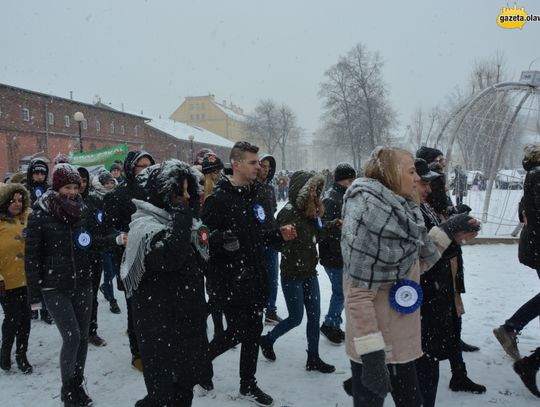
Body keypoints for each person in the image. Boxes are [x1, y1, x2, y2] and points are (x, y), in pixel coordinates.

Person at [341, 146, 479, 407]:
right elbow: (358, 297)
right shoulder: (368, 218)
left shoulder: (402, 213)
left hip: (401, 346)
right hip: (377, 348)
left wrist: (448, 230)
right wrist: (372, 360)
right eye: (412, 171)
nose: (418, 178)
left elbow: (417, 263)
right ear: (392, 175)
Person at [201, 141, 296, 407]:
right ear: (237, 164)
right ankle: (200, 361)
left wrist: (278, 234)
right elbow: (201, 238)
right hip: (230, 279)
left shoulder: (255, 194)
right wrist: (220, 239)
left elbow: (256, 235)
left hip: (255, 274)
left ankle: (248, 384)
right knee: (238, 330)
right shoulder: (217, 199)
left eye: (259, 163)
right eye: (253, 163)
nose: (259, 167)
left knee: (253, 330)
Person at [120, 160, 209, 407]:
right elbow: (170, 257)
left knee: (184, 392)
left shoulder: (185, 223)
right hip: (159, 328)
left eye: (189, 190)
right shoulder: (144, 227)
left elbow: (197, 263)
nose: (188, 196)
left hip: (186, 324)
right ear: (164, 192)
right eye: (181, 191)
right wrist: (182, 215)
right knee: (163, 397)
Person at [414, 159, 485, 407]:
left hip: (438, 283)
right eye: (425, 182)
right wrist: (449, 230)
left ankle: (457, 372)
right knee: (424, 360)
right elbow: (422, 253)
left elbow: (436, 234)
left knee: (436, 348)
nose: (429, 188)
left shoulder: (424, 203)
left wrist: (456, 226)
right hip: (425, 291)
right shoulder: (410, 208)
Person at [25, 164, 94, 407]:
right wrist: (34, 294)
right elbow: (32, 257)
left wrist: (116, 238)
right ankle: (68, 390)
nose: (72, 192)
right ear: (57, 187)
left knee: (83, 338)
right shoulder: (40, 214)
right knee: (72, 337)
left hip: (82, 282)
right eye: (67, 187)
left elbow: (91, 242)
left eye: (76, 187)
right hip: (54, 285)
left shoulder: (82, 211)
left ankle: (77, 385)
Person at [260, 170, 339, 374]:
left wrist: (333, 225)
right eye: (311, 189)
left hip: (310, 273)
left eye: (316, 190)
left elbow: (316, 235)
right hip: (292, 274)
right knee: (296, 318)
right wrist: (287, 243)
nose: (315, 193)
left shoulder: (310, 210)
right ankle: (268, 339)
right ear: (301, 190)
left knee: (314, 317)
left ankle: (313, 358)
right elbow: (277, 243)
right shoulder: (287, 212)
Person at [494, 144, 540, 397]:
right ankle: (511, 329)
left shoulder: (532, 177)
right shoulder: (537, 176)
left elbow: (526, 212)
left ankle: (511, 329)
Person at [103, 151, 155, 371]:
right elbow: (107, 229)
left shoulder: (157, 191)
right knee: (136, 310)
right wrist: (122, 237)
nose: (146, 170)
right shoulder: (118, 195)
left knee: (154, 308)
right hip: (129, 260)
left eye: (149, 166)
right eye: (141, 166)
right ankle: (138, 353)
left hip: (155, 258)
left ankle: (155, 348)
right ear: (130, 168)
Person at [319, 163, 356, 344]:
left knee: (342, 291)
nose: (352, 183)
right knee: (340, 292)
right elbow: (323, 226)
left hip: (341, 252)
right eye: (350, 180)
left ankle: (334, 323)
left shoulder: (343, 196)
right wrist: (338, 226)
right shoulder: (331, 198)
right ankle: (329, 324)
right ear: (342, 180)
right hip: (333, 254)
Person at [0, 182, 33, 374]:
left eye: (20, 200)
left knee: (25, 319)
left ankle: (22, 355)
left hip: (27, 280)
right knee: (12, 319)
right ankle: (5, 352)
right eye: (12, 200)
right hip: (6, 283)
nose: (17, 204)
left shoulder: (28, 218)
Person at [25, 157, 54, 324]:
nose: (39, 175)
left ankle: (45, 310)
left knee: (46, 274)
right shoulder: (26, 189)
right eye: (36, 172)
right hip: (30, 234)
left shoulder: (49, 190)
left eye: (42, 173)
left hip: (47, 235)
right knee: (32, 273)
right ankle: (33, 307)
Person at [256, 153, 283, 325]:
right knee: (258, 278)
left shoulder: (269, 189)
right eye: (263, 166)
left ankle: (271, 310)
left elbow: (272, 210)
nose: (266, 170)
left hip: (271, 238)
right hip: (256, 240)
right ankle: (257, 310)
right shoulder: (250, 187)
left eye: (268, 167)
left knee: (273, 277)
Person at [200, 152, 225, 338]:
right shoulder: (201, 193)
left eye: (218, 171)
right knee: (214, 292)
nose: (217, 175)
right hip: (207, 248)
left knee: (220, 291)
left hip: (222, 246)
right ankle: (218, 330)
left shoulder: (223, 189)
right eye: (213, 172)